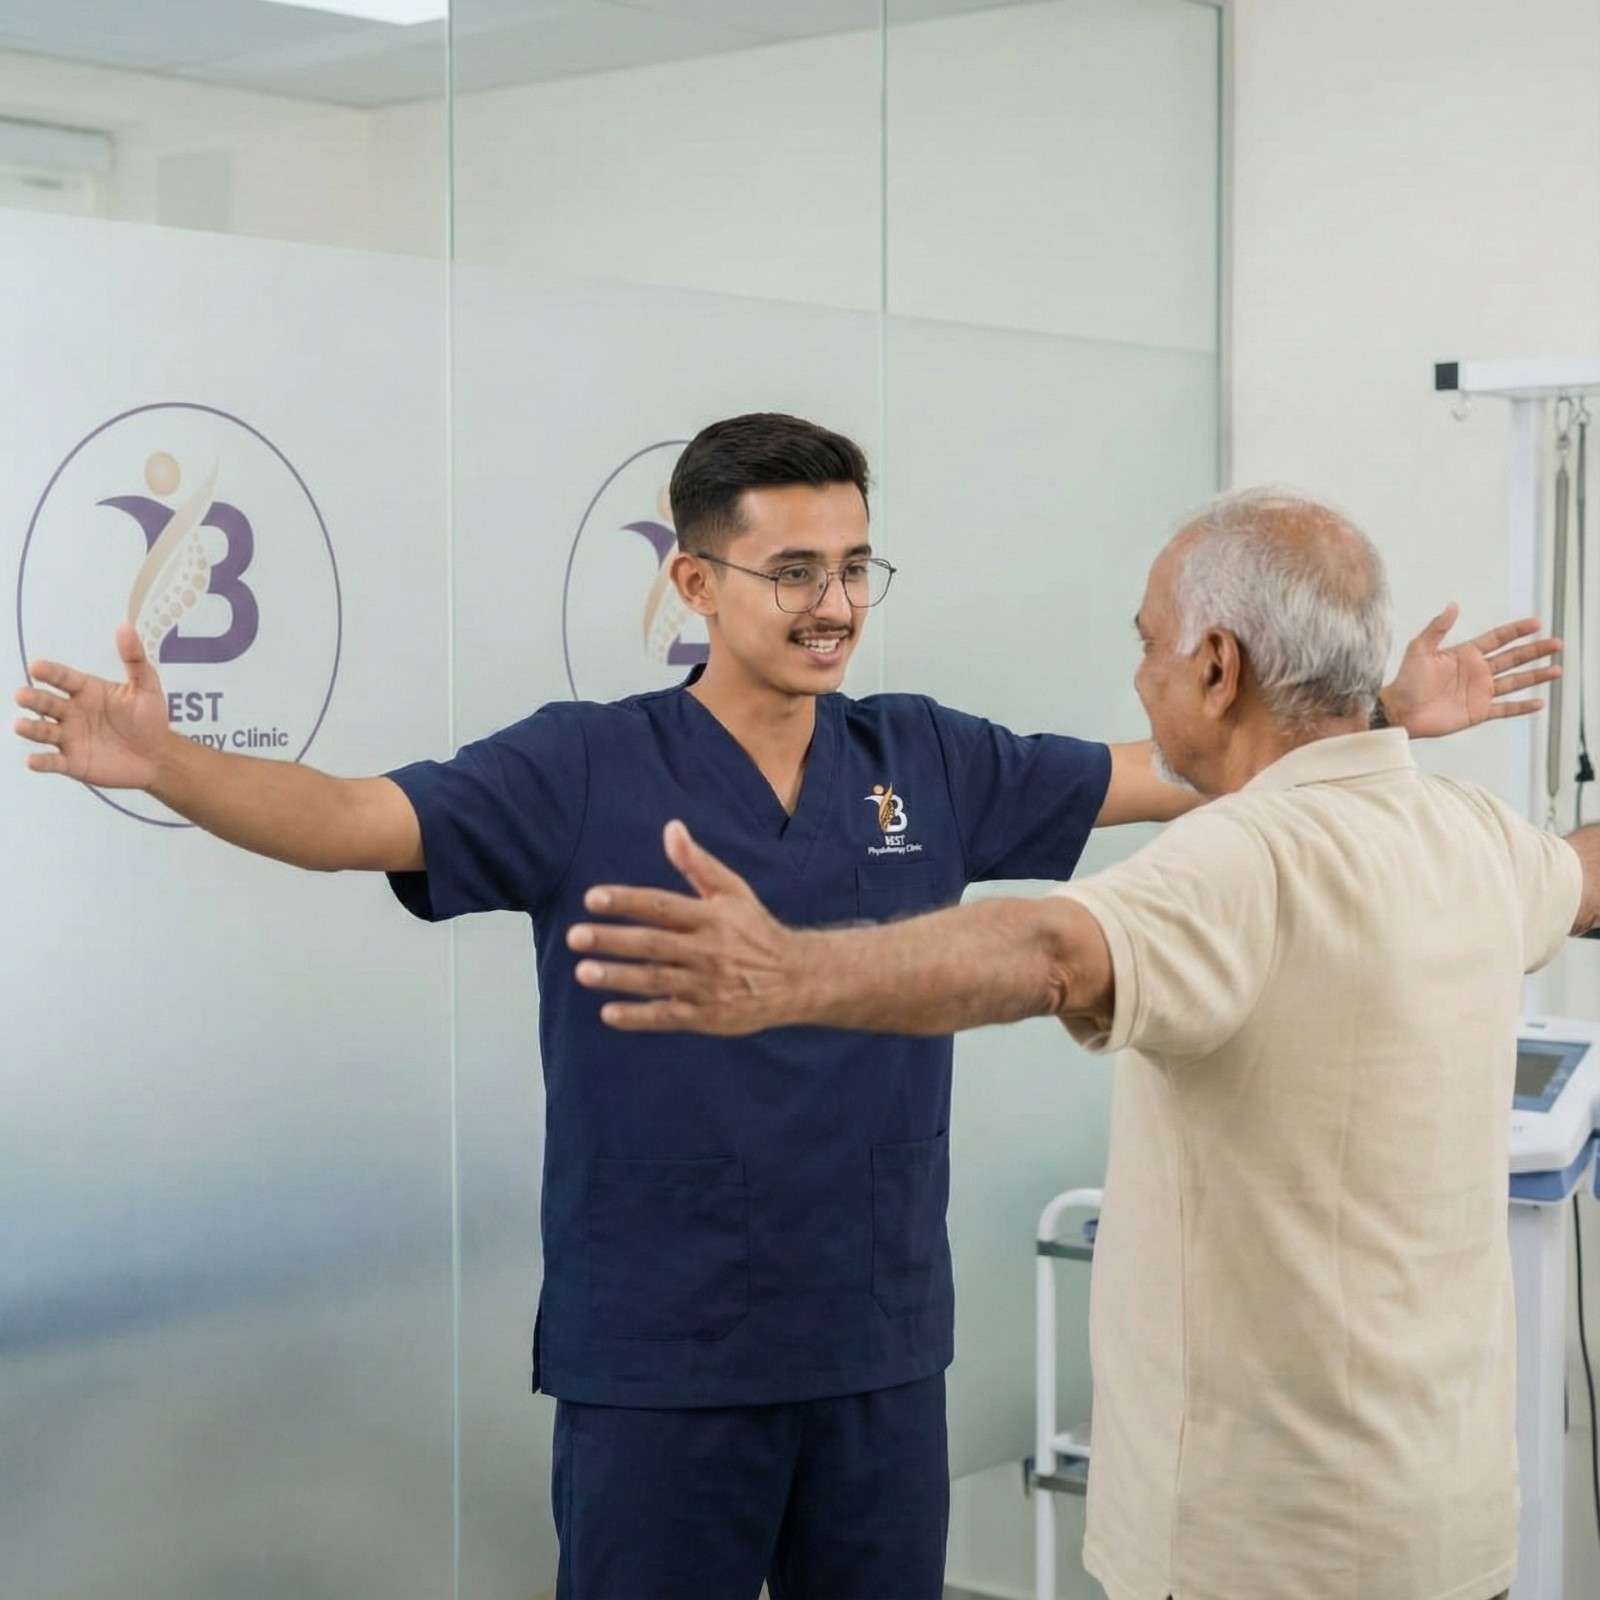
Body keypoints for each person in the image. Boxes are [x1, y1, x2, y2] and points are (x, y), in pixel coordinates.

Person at [14, 428, 1558, 1600]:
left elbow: (1181, 765)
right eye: (795, 572)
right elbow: (355, 814)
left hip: (878, 1352)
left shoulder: (927, 756)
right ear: (692, 582)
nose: (834, 606)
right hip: (662, 1359)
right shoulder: (582, 766)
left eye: (854, 569)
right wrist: (173, 767)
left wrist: (1371, 719)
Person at [567, 488, 1597, 1600]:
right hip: (1449, 1535)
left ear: (1216, 665)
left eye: (1148, 643)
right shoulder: (1476, 840)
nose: (1140, 675)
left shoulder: (1235, 860)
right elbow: (1584, 872)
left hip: (1259, 1552)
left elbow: (1049, 949)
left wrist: (790, 970)